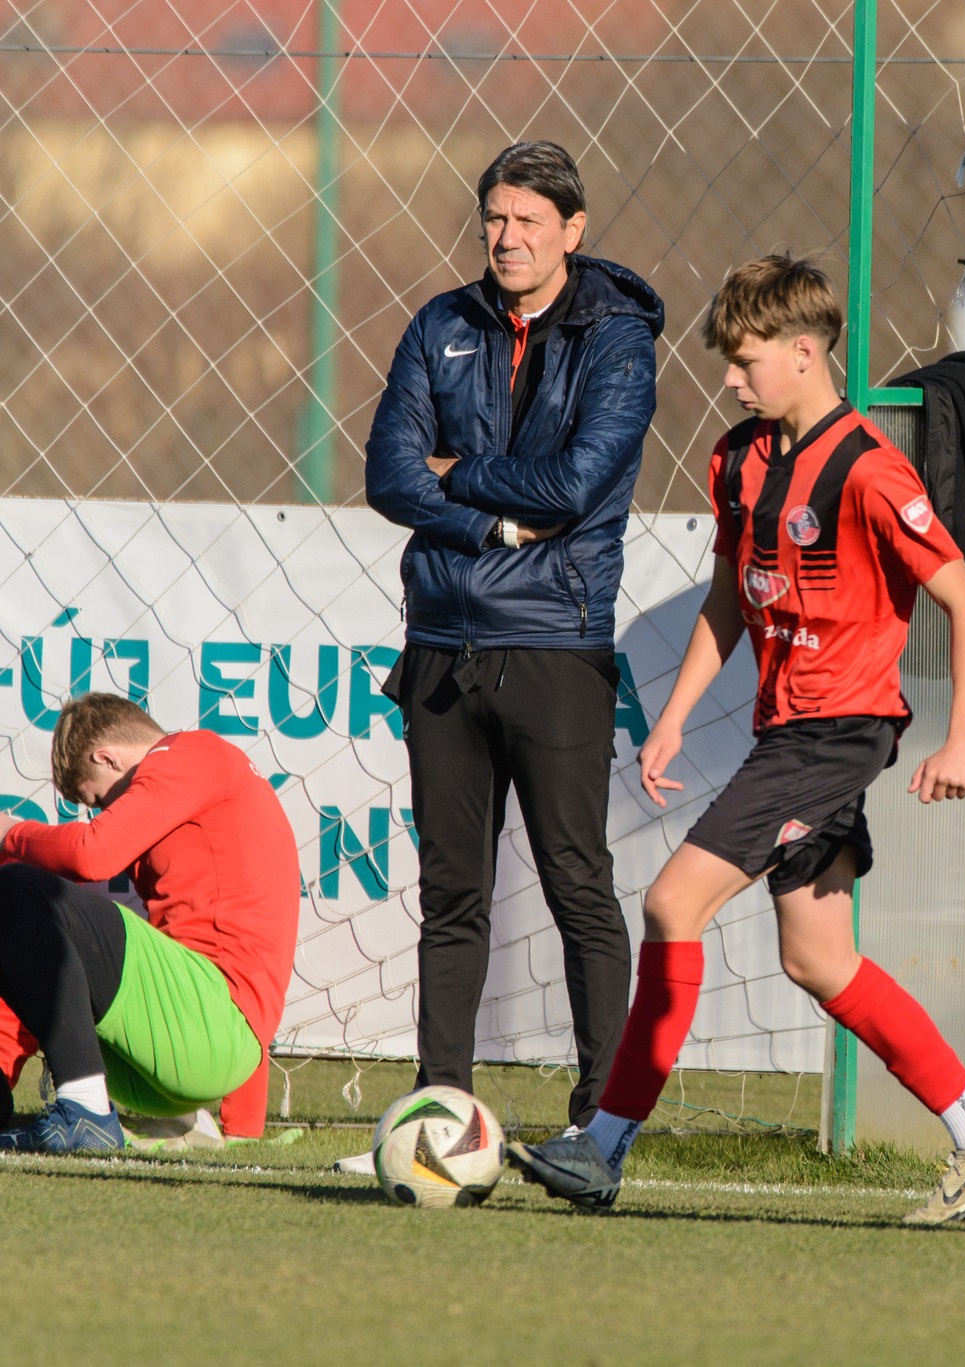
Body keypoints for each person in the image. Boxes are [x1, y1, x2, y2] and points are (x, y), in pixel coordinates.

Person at [507, 255, 965, 1225]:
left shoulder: (871, 469)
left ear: (803, 352)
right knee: (818, 959)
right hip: (785, 734)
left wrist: (961, 740)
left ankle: (605, 1143)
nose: (731, 378)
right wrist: (670, 717)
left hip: (838, 734)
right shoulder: (737, 459)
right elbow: (725, 602)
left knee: (673, 899)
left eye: (745, 360)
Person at [363, 141, 662, 1141]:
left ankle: (599, 1121)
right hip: (442, 641)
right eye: (495, 216)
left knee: (578, 879)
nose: (507, 237)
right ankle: (436, 1112)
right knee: (452, 893)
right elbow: (390, 477)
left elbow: (578, 487)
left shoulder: (617, 340)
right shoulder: (439, 323)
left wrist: (457, 471)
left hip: (554, 640)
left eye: (529, 220)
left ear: (572, 231)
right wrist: (486, 518)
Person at [0, 695, 299, 1150]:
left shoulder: (194, 753)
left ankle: (84, 1110)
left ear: (106, 757)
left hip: (207, 1034)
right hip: (184, 1061)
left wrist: (10, 832)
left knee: (23, 887)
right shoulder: (206, 800)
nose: (103, 813)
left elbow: (92, 853)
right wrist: (242, 1126)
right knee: (23, 910)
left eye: (98, 799)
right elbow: (248, 958)